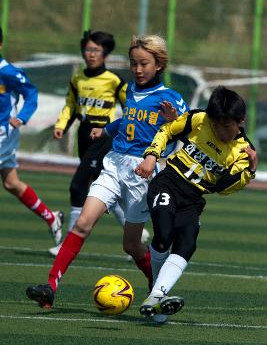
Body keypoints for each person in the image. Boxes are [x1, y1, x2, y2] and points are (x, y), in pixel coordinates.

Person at [26, 34, 189, 310]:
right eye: (133, 63)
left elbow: (186, 132)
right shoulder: (130, 90)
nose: (137, 69)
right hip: (113, 164)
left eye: (144, 64)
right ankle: (50, 287)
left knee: (131, 245)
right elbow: (128, 119)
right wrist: (108, 129)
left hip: (141, 173)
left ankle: (156, 288)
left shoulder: (170, 98)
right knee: (82, 223)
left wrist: (175, 122)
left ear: (159, 65)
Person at [135, 85, 257, 322]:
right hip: (167, 183)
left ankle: (156, 297)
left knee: (187, 243)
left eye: (226, 126)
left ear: (240, 121)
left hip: (193, 198)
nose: (220, 131)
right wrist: (152, 155)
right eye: (216, 124)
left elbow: (226, 188)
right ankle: (156, 294)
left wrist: (250, 170)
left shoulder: (242, 151)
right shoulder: (200, 119)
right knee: (163, 235)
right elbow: (168, 130)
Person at [49, 29, 139, 256]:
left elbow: (132, 108)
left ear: (105, 54)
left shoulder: (113, 80)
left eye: (96, 50)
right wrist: (61, 126)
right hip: (84, 134)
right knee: (103, 187)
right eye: (88, 49)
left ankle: (65, 244)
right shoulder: (78, 78)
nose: (91, 54)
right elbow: (70, 105)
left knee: (78, 186)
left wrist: (124, 131)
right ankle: (135, 234)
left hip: (104, 136)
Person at [0, 27, 64, 245]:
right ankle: (51, 217)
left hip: (3, 132)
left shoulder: (7, 72)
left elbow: (31, 93)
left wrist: (22, 118)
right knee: (11, 183)